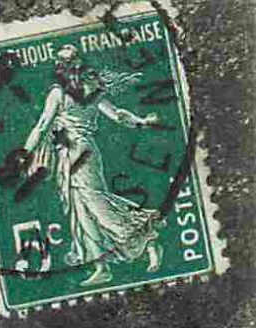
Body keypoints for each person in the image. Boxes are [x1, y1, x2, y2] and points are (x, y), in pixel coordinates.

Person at [22, 44, 164, 287]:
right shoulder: (86, 91)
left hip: (80, 154)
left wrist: (24, 154)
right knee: (80, 213)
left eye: (66, 64)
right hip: (69, 155)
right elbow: (118, 114)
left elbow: (42, 126)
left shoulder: (65, 93)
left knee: (98, 207)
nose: (64, 68)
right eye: (62, 64)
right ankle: (101, 266)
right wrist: (141, 122)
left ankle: (148, 240)